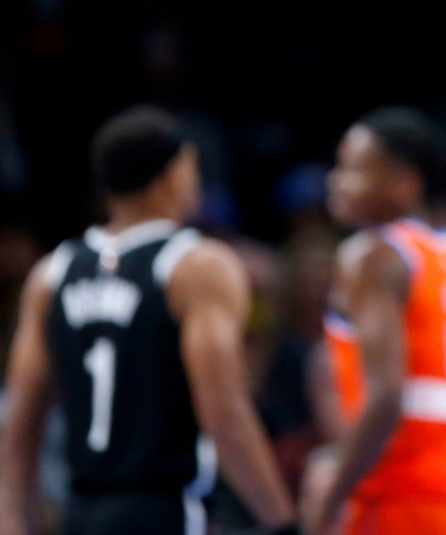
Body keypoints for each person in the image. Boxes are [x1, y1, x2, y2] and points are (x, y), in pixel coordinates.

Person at [0, 104, 298, 535]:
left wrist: (12, 517)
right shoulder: (195, 266)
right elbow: (224, 411)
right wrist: (282, 520)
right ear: (174, 175)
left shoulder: (52, 273)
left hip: (81, 511)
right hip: (164, 509)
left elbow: (22, 416)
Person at [304, 105, 446, 535]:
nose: (335, 181)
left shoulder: (372, 254)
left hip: (402, 498)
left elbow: (385, 396)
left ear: (405, 182)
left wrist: (332, 497)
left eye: (352, 169)